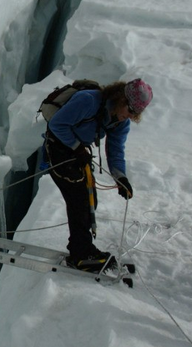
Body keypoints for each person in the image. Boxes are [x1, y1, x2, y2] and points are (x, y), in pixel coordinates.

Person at [41, 78, 153, 271]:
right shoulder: (89, 101)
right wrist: (76, 148)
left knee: (88, 200)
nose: (130, 116)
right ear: (121, 99)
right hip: (58, 149)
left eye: (135, 114)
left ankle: (83, 249)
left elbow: (116, 149)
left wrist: (121, 177)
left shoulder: (120, 122)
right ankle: (81, 253)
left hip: (77, 154)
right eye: (131, 110)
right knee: (79, 200)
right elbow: (57, 125)